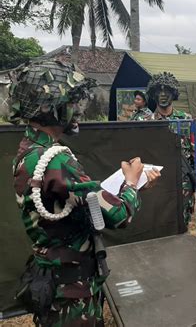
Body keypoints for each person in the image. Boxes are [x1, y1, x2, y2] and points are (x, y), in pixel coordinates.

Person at [8, 60, 160, 326]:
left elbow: (83, 202)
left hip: (57, 281)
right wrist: (132, 182)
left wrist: (131, 186)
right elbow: (118, 216)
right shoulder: (54, 160)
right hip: (70, 291)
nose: (78, 110)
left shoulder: (31, 150)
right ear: (50, 107)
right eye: (72, 102)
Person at [146, 72, 195, 226]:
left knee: (182, 223)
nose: (162, 94)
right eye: (158, 91)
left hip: (182, 182)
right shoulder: (145, 121)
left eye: (167, 90)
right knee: (158, 224)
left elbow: (194, 151)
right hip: (156, 181)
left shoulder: (186, 119)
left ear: (173, 93)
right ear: (153, 94)